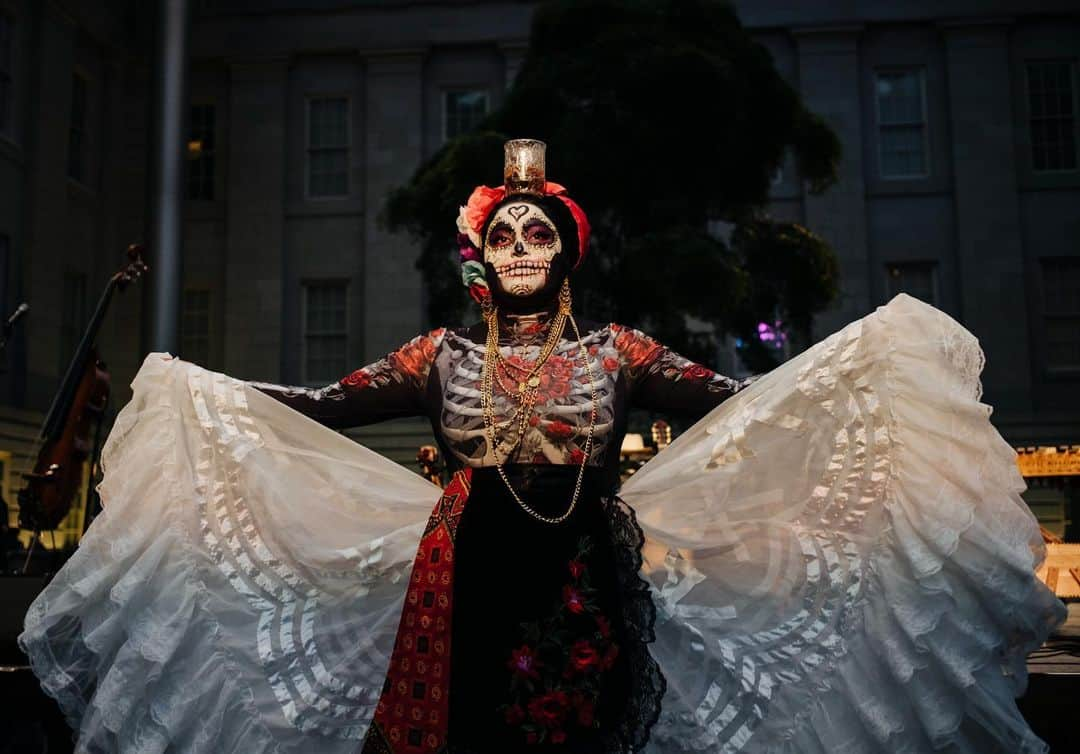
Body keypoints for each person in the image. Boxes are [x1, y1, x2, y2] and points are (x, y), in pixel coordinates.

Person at [20, 140, 1065, 754]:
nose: (522, 249)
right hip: (461, 575)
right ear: (483, 254)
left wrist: (861, 368)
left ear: (565, 250)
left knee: (583, 727)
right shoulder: (437, 355)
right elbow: (320, 402)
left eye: (540, 234)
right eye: (504, 235)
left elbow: (746, 401)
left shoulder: (617, 352)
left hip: (585, 574)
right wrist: (193, 387)